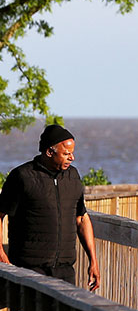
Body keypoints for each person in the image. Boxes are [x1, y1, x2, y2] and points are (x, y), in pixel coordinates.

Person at [0, 124, 101, 290]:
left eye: (72, 153)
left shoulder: (73, 177)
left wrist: (94, 262)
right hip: (29, 271)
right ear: (49, 152)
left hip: (65, 272)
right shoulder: (22, 176)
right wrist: (1, 253)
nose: (72, 158)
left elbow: (82, 218)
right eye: (66, 153)